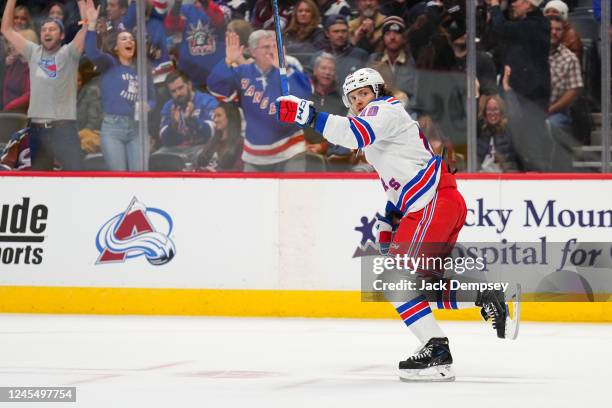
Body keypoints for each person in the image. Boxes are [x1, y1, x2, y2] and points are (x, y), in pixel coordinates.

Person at [275, 67, 517, 381]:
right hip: (435, 204)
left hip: (430, 204)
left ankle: (437, 351)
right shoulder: (380, 123)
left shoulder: (383, 110)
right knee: (417, 287)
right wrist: (390, 217)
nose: (360, 100)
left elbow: (353, 134)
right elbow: (395, 172)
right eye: (353, 97)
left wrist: (307, 115)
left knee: (395, 281)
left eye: (364, 93)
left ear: (377, 92)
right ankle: (485, 294)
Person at [207, 30, 312, 172]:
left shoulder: (288, 67)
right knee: (253, 194)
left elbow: (304, 94)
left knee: (292, 194)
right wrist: (228, 61)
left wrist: (283, 69)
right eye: (266, 47)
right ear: (252, 52)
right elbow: (215, 87)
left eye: (274, 47)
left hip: (290, 150)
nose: (271, 51)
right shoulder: (242, 72)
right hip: (255, 154)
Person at [1, 0, 87, 170]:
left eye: (52, 29)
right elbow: (6, 29)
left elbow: (86, 29)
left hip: (64, 129)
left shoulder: (69, 53)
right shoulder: (33, 52)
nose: (47, 32)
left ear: (62, 35)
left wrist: (83, 7)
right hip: (37, 130)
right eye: (44, 30)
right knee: (41, 181)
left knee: (76, 179)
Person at [84, 0, 156, 171]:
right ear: (116, 47)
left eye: (131, 39)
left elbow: (152, 98)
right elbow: (92, 52)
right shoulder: (110, 63)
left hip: (138, 127)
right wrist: (92, 25)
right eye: (124, 39)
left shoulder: (142, 69)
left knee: (140, 176)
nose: (129, 41)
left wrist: (148, 105)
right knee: (119, 177)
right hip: (112, 128)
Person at [160, 71, 219, 147]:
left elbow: (214, 132)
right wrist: (173, 126)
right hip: (179, 151)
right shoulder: (169, 107)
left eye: (180, 88)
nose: (178, 93)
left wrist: (191, 120)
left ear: (189, 85)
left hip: (205, 148)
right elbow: (164, 140)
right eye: (173, 91)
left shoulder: (207, 101)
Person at [368, 16, 417, 103]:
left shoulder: (411, 62)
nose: (392, 37)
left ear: (403, 37)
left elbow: (414, 94)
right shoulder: (374, 59)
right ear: (383, 38)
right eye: (387, 33)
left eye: (397, 33)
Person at [323, 14, 369, 90]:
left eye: (344, 31)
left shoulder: (361, 55)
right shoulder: (320, 57)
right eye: (336, 31)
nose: (340, 35)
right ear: (327, 33)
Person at [477, 94, 520, 172]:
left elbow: (515, 115)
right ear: (485, 112)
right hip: (482, 176)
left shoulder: (508, 130)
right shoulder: (481, 131)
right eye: (489, 109)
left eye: (495, 109)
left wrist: (508, 91)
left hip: (504, 177)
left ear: (501, 112)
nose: (492, 113)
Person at [198, 102, 243, 172]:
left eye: (219, 116)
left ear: (230, 118)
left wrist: (217, 172)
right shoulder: (213, 140)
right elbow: (200, 163)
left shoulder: (240, 143)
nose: (215, 120)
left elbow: (239, 171)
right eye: (215, 116)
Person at [284, 0, 328, 68]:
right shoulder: (288, 32)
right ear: (296, 14)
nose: (303, 13)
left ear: (313, 14)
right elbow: (281, 49)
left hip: (310, 69)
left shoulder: (319, 32)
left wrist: (289, 48)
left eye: (307, 11)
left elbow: (316, 50)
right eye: (300, 11)